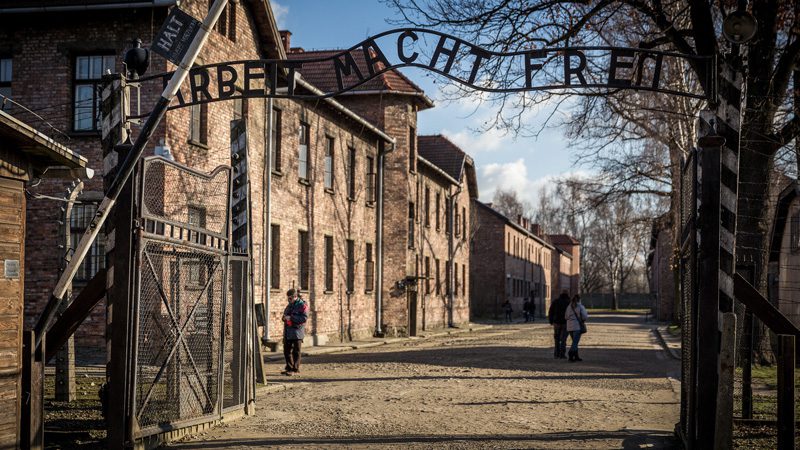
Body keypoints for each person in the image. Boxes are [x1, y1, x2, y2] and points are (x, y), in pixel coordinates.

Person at [282, 288, 309, 375]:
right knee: (286, 351)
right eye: (288, 298)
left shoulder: (302, 305)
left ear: (295, 297)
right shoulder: (289, 305)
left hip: (297, 331)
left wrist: (291, 318)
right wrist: (284, 318)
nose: (289, 300)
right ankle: (289, 368)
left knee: (296, 351)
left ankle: (295, 369)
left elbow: (304, 318)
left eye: (290, 298)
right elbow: (284, 315)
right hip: (288, 331)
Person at [565, 294, 589, 362]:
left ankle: (576, 356)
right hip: (577, 326)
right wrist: (582, 320)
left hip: (569, 327)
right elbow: (585, 316)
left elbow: (566, 317)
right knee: (575, 342)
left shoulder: (569, 307)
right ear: (579, 299)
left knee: (574, 342)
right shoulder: (580, 306)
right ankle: (570, 354)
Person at [548, 291, 570, 359]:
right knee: (563, 339)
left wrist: (551, 321)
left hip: (556, 323)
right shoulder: (568, 303)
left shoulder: (555, 301)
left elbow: (551, 311)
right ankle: (562, 354)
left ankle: (556, 354)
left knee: (557, 339)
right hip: (565, 323)